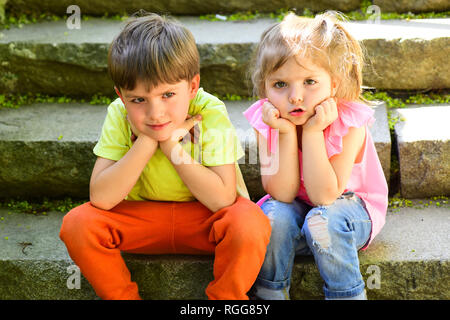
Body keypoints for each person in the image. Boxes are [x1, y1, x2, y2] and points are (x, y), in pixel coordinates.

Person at [59, 12, 271, 300]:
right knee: (78, 224)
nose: (155, 113)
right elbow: (102, 198)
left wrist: (172, 147)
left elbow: (222, 199)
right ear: (122, 95)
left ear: (192, 86)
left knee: (250, 221)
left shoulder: (208, 111)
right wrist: (148, 141)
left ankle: (226, 299)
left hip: (204, 220)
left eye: (168, 95)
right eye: (138, 100)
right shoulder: (118, 114)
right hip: (138, 221)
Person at [243, 12, 388, 300]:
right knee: (272, 217)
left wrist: (311, 133)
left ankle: (346, 294)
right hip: (298, 209)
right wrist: (285, 134)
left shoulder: (348, 122)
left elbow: (325, 196)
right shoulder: (268, 120)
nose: (295, 97)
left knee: (322, 220)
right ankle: (270, 292)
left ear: (333, 85)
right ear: (265, 88)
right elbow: (282, 194)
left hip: (348, 210)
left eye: (310, 81)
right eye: (280, 85)